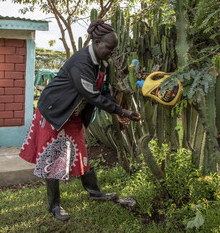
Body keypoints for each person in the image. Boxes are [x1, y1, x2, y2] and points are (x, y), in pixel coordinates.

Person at [19, 19, 141, 221]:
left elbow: (104, 91)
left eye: (113, 49)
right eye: (109, 48)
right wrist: (123, 111)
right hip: (55, 112)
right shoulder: (81, 62)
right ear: (96, 42)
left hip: (73, 114)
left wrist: (118, 110)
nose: (111, 53)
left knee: (82, 153)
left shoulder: (103, 63)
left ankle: (95, 193)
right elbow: (92, 94)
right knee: (54, 157)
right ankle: (54, 206)